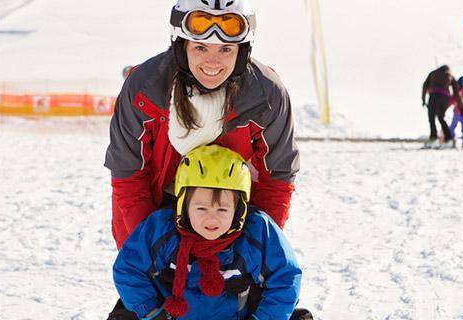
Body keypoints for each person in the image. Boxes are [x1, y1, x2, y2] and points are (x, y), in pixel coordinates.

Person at [104, 0, 299, 250]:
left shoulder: (266, 95)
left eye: (226, 49)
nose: (213, 62)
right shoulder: (145, 88)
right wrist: (148, 246)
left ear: (242, 51)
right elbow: (128, 173)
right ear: (182, 46)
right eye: (201, 48)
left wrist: (254, 247)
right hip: (152, 209)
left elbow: (277, 177)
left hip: (228, 216)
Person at [111, 145, 310, 320]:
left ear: (239, 209)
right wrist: (151, 312)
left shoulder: (256, 230)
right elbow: (128, 268)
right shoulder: (163, 229)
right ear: (183, 205)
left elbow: (286, 278)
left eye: (222, 210)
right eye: (201, 209)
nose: (212, 218)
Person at [421, 65, 463, 146]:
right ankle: (448, 139)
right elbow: (456, 93)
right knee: (441, 118)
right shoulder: (449, 75)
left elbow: (425, 86)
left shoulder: (433, 73)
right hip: (444, 98)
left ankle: (433, 139)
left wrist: (423, 99)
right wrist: (461, 106)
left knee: (431, 118)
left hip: (433, 96)